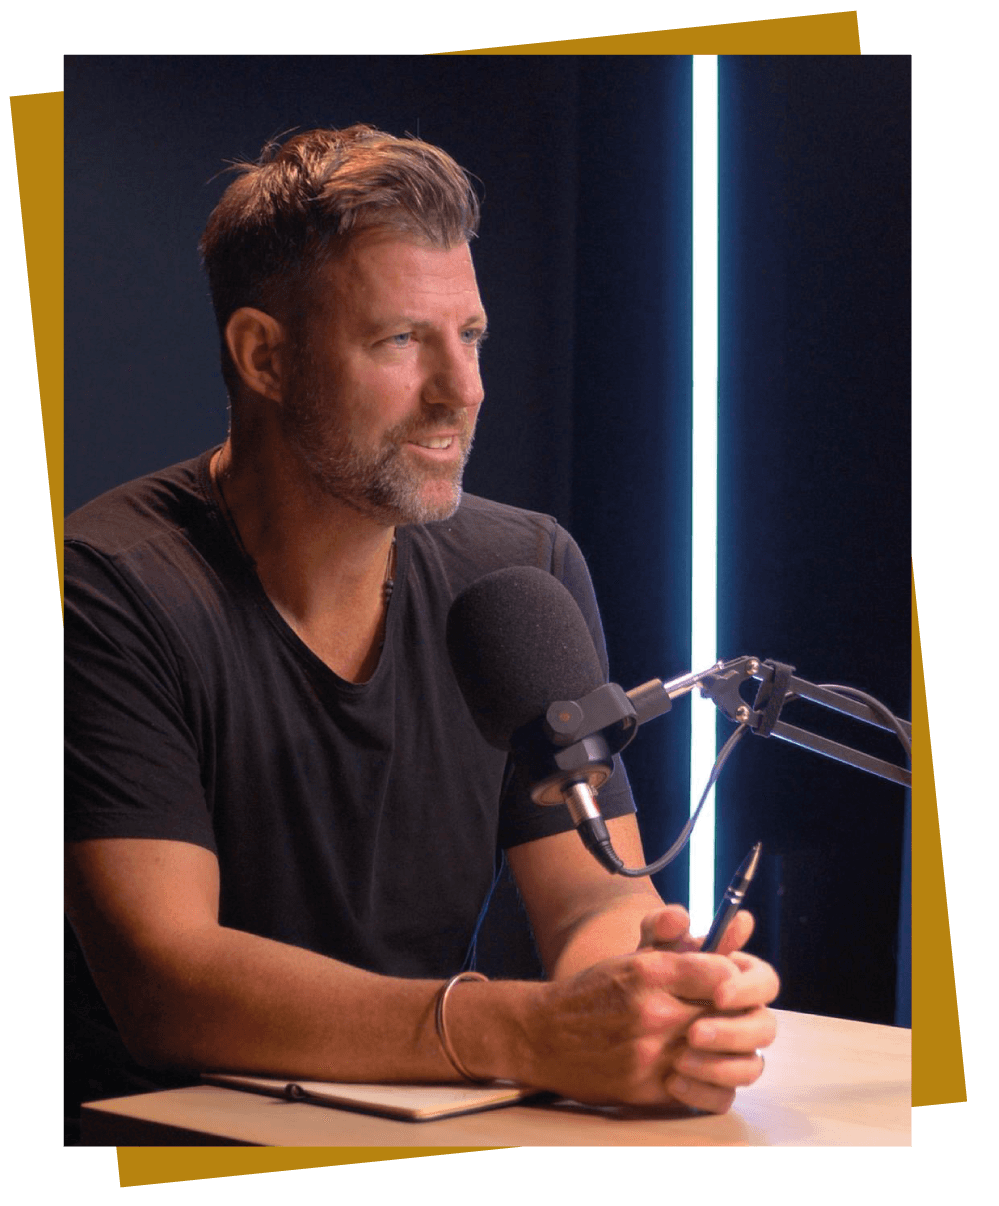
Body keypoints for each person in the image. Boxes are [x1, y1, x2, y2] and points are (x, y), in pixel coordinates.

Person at [64, 125, 778, 1133]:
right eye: (401, 340)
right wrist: (529, 1032)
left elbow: (593, 900)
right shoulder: (102, 588)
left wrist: (647, 999)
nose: (463, 390)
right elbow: (166, 980)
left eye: (470, 336)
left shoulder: (521, 572)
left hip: (431, 1129)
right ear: (265, 356)